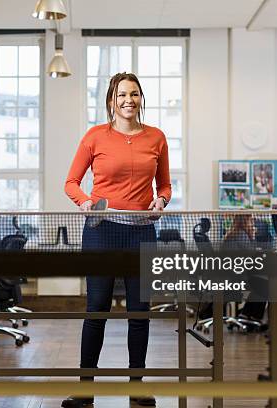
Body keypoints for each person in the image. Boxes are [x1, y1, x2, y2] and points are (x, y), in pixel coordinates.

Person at [62, 72, 172, 408]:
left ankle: (137, 386)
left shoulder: (156, 138)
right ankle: (84, 391)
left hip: (142, 232)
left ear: (141, 98)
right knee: (96, 309)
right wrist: (85, 203)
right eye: (122, 94)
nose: (129, 100)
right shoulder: (95, 136)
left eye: (134, 94)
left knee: (140, 312)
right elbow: (71, 182)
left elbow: (165, 186)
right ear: (111, 99)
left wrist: (161, 202)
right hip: (101, 231)